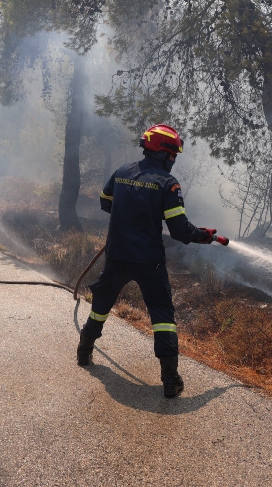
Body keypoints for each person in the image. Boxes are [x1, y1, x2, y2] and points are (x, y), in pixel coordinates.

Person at [77, 124, 217, 398]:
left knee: (102, 304)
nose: (174, 160)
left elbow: (106, 203)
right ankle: (169, 378)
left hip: (117, 255)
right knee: (162, 315)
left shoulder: (122, 172)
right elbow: (179, 230)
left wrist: (129, 215)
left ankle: (84, 351)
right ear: (164, 154)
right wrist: (204, 236)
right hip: (149, 260)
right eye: (173, 154)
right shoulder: (168, 184)